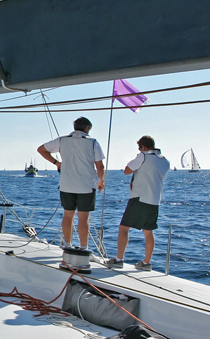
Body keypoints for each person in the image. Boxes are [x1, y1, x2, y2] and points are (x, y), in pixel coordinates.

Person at [37, 117, 105, 270]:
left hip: (67, 184)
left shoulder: (62, 140)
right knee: (83, 217)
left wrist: (57, 163)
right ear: (87, 128)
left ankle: (67, 245)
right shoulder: (92, 142)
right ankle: (83, 248)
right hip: (86, 186)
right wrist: (101, 180)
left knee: (68, 214)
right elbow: (99, 165)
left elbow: (41, 149)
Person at [105, 136, 170, 272]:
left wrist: (140, 157)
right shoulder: (164, 161)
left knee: (124, 228)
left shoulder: (143, 157)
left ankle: (119, 259)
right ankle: (146, 262)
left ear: (143, 147)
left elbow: (127, 170)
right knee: (148, 231)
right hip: (154, 200)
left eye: (139, 148)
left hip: (139, 197)